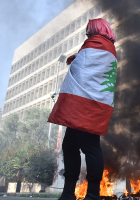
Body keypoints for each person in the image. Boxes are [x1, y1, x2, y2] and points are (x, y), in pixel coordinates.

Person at [48, 18, 117, 200]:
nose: (87, 33)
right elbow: (86, 64)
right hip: (91, 104)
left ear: (95, 29)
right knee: (71, 146)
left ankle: (92, 194)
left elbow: (82, 68)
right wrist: (75, 58)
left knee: (90, 147)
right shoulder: (108, 47)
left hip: (85, 104)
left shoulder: (96, 42)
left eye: (89, 29)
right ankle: (69, 192)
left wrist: (75, 60)